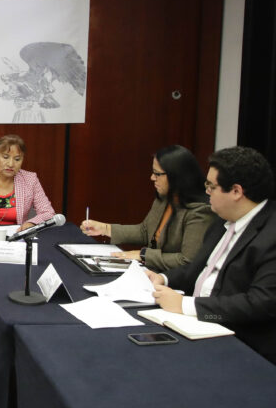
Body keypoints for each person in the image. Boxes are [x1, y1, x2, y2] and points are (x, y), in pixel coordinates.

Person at [145, 146, 276, 363]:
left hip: (239, 343)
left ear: (236, 191)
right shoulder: (223, 219)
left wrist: (186, 305)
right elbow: (197, 268)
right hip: (194, 323)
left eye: (211, 187)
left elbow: (260, 303)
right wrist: (163, 278)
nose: (206, 192)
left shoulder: (270, 235)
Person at [81, 145, 215, 271]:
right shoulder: (165, 198)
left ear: (176, 175)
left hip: (170, 279)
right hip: (150, 270)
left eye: (157, 174)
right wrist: (105, 229)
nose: (152, 178)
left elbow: (187, 261)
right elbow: (145, 232)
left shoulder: (200, 211)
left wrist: (143, 255)